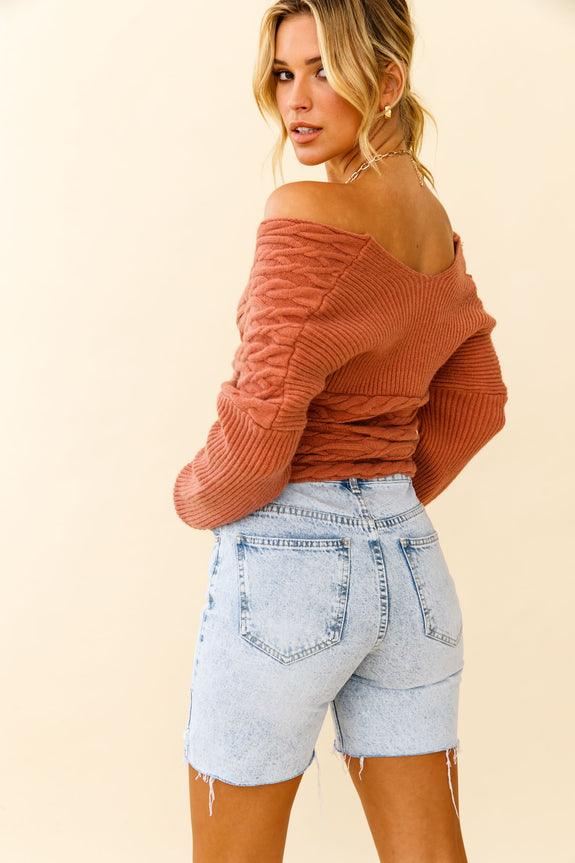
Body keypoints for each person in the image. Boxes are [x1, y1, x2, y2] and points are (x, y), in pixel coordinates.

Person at [173, 1, 507, 860]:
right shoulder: (431, 223)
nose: (296, 98)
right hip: (410, 561)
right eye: (285, 74)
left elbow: (258, 432)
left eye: (324, 71)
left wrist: (192, 497)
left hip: (289, 564)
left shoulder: (304, 209)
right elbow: (478, 400)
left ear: (387, 81)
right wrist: (382, 496)